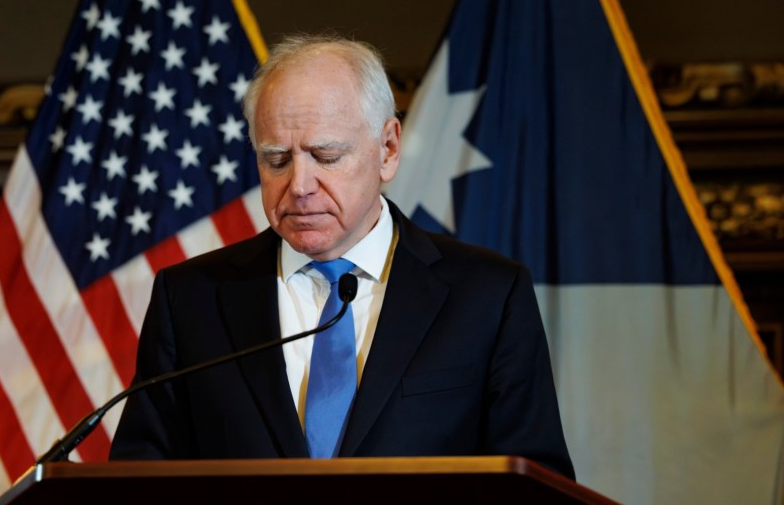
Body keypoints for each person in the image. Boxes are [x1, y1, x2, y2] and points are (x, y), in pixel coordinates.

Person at [109, 34, 574, 478]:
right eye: (276, 159)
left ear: (388, 149)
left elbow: (533, 480)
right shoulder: (191, 298)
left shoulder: (488, 296)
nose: (300, 185)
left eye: (326, 156)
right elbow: (139, 479)